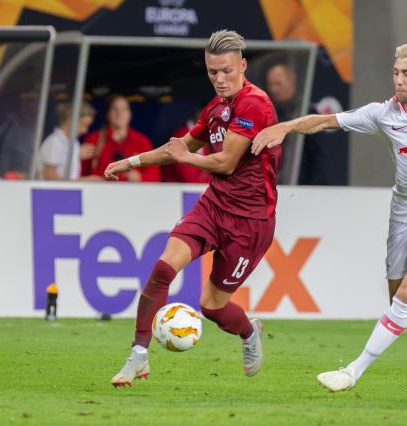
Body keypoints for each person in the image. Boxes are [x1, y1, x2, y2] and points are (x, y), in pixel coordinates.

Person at [252, 42, 407, 391]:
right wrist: (286, 127)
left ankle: (352, 371)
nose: (399, 80)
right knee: (399, 301)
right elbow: (324, 121)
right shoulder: (384, 114)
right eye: (396, 73)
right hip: (403, 211)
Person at [105, 30, 281, 387]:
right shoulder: (215, 109)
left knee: (212, 307)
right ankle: (138, 357)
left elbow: (227, 163)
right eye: (212, 72)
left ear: (243, 66)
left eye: (226, 71)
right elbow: (178, 147)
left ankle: (249, 333)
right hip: (213, 206)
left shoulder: (255, 104)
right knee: (162, 270)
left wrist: (187, 157)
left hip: (250, 221)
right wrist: (129, 163)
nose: (219, 79)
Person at [81, 95, 160, 182]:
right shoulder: (94, 139)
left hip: (132, 193)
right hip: (101, 192)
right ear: (107, 114)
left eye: (124, 109)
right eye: (115, 109)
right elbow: (80, 174)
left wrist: (140, 177)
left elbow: (155, 176)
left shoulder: (141, 141)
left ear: (130, 113)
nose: (119, 113)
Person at [38, 102, 97, 180]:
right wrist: (83, 181)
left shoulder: (74, 143)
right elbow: (50, 177)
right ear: (71, 120)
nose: (85, 131)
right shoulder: (54, 142)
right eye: (83, 125)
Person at [161, 105, 211, 184]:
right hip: (175, 191)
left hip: (197, 189)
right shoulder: (181, 135)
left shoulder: (206, 133)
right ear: (200, 114)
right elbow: (188, 177)